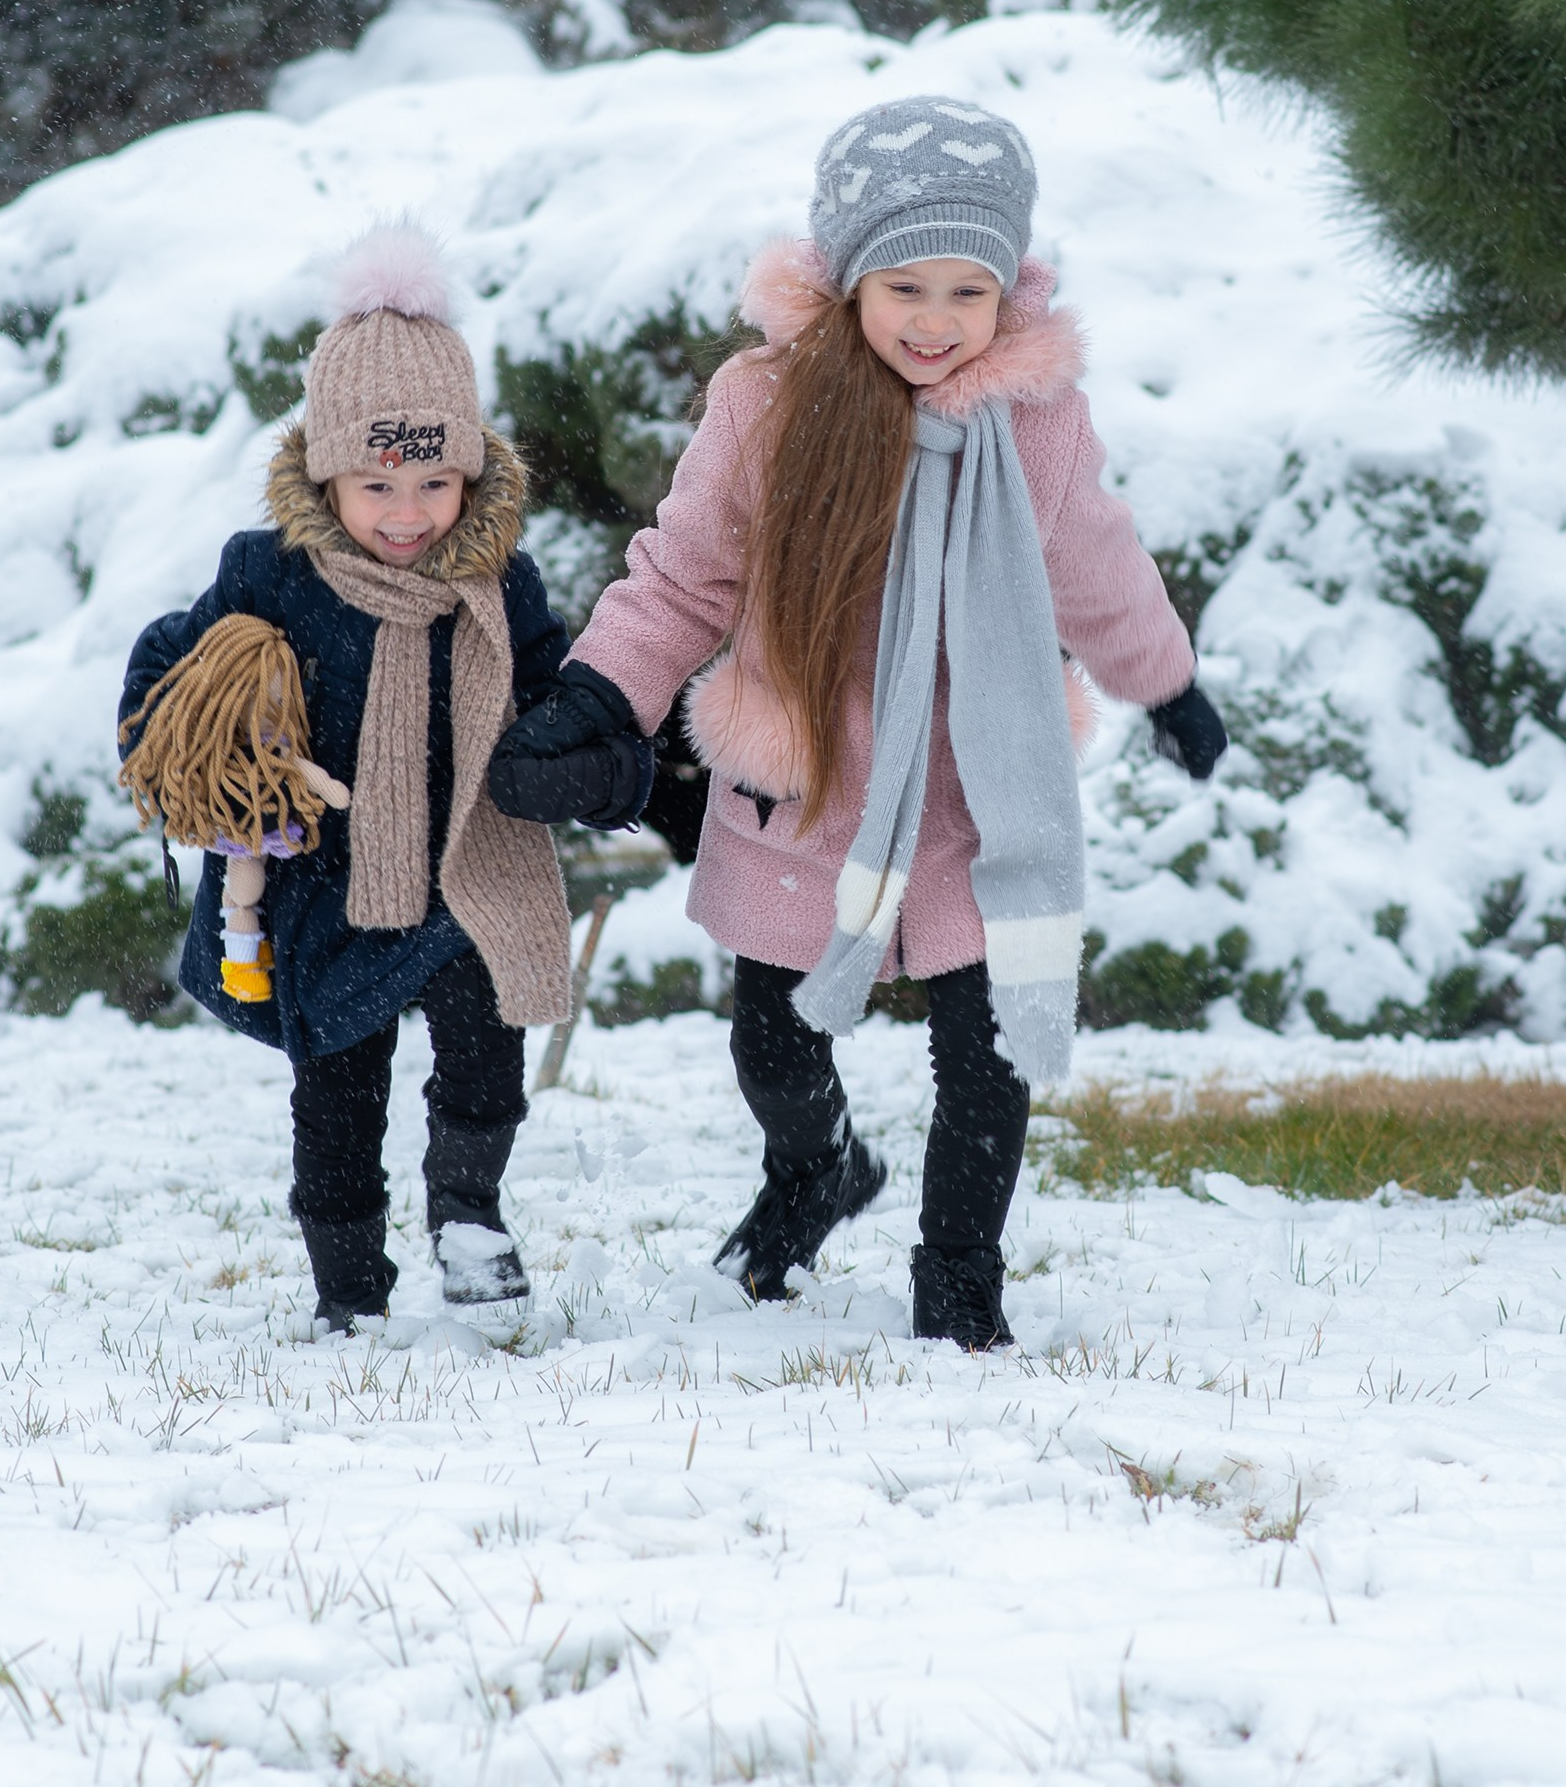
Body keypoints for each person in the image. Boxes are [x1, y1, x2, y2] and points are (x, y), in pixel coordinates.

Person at [487, 99, 1226, 1350]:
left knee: (984, 1066)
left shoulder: (1034, 424)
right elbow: (685, 577)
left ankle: (958, 1282)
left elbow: (1093, 558)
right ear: (847, 278)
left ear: (1009, 295)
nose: (937, 324)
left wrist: (1164, 679)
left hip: (973, 792)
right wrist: (599, 694)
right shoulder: (770, 406)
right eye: (906, 287)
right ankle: (814, 1170)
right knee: (773, 1051)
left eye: (967, 292)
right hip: (808, 782)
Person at [119, 225, 650, 1335]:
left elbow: (564, 693)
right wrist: (195, 745)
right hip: (323, 880)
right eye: (377, 483)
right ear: (327, 473)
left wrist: (583, 759)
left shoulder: (503, 583)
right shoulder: (268, 576)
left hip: (467, 864)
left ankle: (467, 1211)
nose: (407, 513)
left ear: (472, 472)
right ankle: (347, 1287)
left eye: (434, 480)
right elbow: (171, 676)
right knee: (337, 1094)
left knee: (484, 1051)